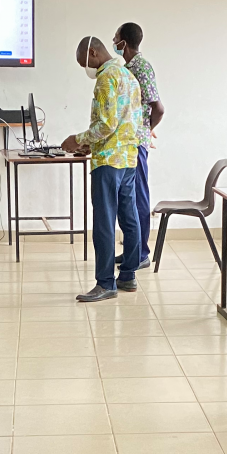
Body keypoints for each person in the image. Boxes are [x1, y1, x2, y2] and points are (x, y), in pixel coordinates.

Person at [62, 36, 144, 302]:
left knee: (104, 223)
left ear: (94, 52)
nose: (87, 68)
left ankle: (105, 283)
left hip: (108, 163)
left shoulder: (106, 77)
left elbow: (106, 125)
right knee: (129, 217)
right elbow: (126, 123)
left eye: (84, 62)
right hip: (128, 159)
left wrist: (79, 140)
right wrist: (91, 146)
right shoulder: (129, 76)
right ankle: (128, 276)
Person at [113, 23, 163, 266]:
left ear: (124, 42)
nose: (113, 43)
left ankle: (141, 253)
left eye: (115, 38)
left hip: (137, 141)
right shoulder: (129, 67)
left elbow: (158, 108)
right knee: (128, 197)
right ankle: (133, 249)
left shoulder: (140, 67)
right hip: (130, 139)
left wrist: (146, 129)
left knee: (139, 196)